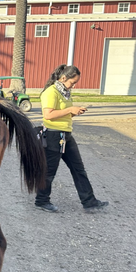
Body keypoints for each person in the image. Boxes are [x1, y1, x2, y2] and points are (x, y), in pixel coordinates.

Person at [34, 64, 109, 213]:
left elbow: (62, 113)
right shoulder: (51, 92)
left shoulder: (65, 93)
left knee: (78, 168)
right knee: (49, 171)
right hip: (54, 135)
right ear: (63, 78)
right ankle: (41, 200)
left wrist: (74, 112)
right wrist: (69, 109)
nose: (73, 86)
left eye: (75, 83)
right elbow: (48, 115)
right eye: (72, 82)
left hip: (66, 135)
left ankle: (89, 201)